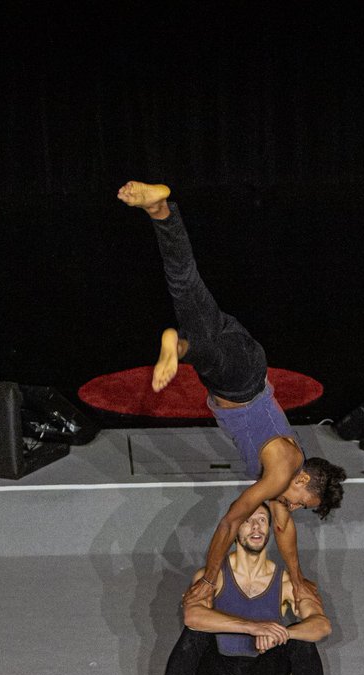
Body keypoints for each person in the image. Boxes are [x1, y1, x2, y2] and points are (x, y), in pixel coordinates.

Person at [118, 181, 347, 606]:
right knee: (208, 356)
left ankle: (160, 210)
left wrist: (298, 579)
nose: (294, 507)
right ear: (301, 481)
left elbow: (283, 528)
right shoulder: (279, 473)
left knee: (185, 284)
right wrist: (210, 577)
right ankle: (180, 348)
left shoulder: (289, 470)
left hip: (242, 353)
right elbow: (231, 521)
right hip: (241, 380)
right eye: (302, 502)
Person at [135, 504, 344, 675]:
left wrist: (282, 634)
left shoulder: (287, 581)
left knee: (302, 636)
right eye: (247, 521)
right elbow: (192, 616)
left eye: (262, 520)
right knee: (194, 632)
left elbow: (322, 625)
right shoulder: (212, 576)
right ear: (234, 531)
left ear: (270, 530)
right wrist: (254, 628)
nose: (255, 526)